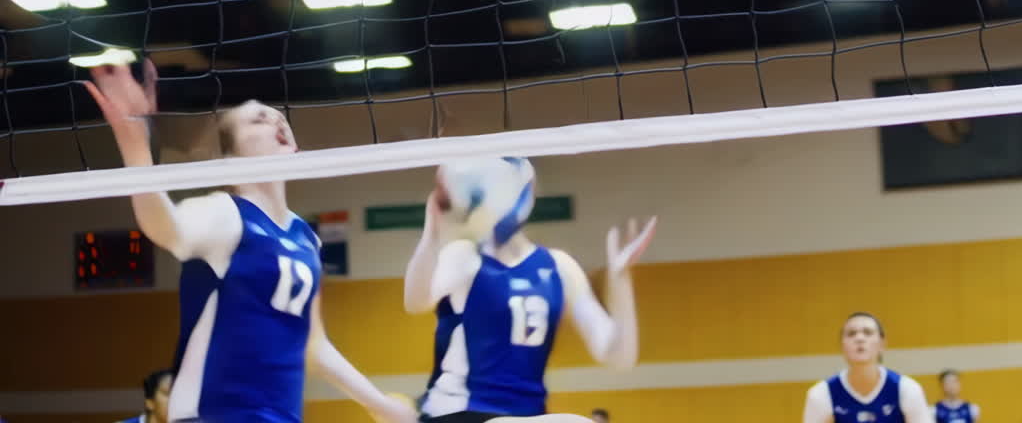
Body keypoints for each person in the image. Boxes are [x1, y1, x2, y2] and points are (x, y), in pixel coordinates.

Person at [84, 61, 416, 423]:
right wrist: (134, 145)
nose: (276, 121)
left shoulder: (305, 238)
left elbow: (313, 345)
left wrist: (378, 404)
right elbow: (165, 227)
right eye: (259, 119)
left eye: (279, 117)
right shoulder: (224, 214)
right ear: (231, 155)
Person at [404, 158, 657, 422]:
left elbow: (619, 357)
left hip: (526, 416)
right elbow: (415, 301)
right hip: (459, 412)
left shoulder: (559, 267)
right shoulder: (465, 256)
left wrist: (620, 277)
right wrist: (432, 233)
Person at [802, 312, 932, 423]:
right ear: (842, 345)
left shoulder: (907, 389)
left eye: (868, 332)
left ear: (882, 344)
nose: (859, 338)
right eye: (851, 334)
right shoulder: (820, 394)